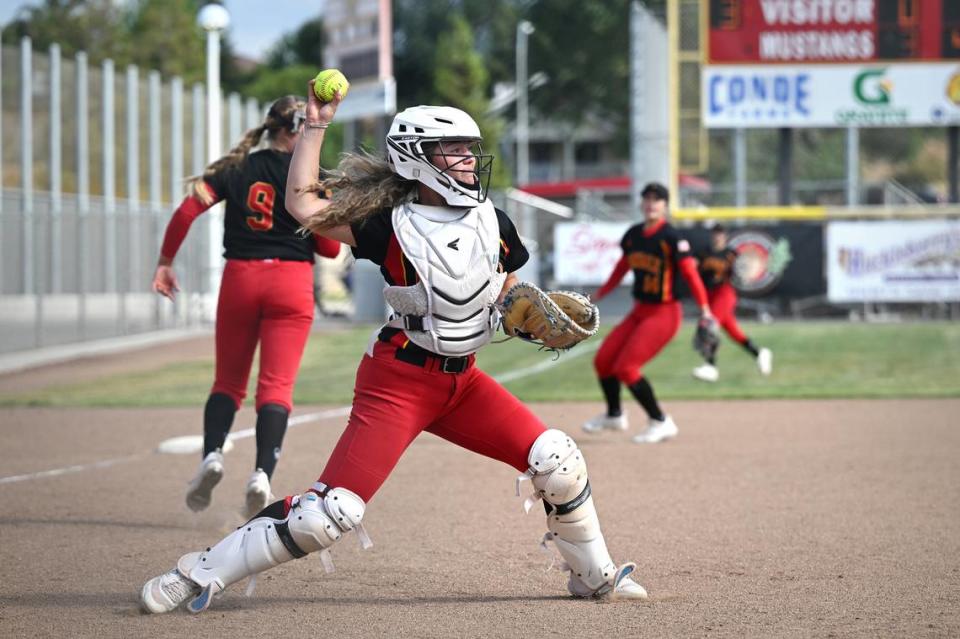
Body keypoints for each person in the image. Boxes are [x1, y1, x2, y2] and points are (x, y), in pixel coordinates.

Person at [139, 81, 647, 615]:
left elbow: (506, 287)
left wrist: (520, 312)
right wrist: (315, 125)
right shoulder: (390, 224)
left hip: (464, 382)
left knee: (559, 462)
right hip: (399, 382)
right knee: (327, 514)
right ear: (417, 159)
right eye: (454, 150)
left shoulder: (493, 220)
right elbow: (302, 204)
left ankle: (596, 578)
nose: (470, 160)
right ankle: (198, 572)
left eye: (470, 149)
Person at [151, 95, 341, 519]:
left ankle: (213, 456)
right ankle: (261, 475)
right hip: (290, 284)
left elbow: (187, 211)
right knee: (275, 388)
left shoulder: (236, 166)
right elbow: (329, 249)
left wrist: (165, 263)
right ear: (297, 130)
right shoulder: (309, 175)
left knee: (227, 383)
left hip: (240, 278)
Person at [582, 182, 713, 444]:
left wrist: (705, 308)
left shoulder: (671, 237)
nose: (651, 203)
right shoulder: (633, 235)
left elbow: (690, 274)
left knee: (627, 368)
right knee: (603, 361)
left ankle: (661, 421)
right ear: (641, 204)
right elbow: (621, 269)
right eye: (647, 198)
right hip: (639, 311)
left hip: (664, 313)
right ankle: (614, 414)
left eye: (657, 199)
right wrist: (598, 295)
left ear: (665, 206)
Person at [691, 225, 772, 382]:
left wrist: (745, 272)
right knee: (734, 333)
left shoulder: (731, 254)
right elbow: (692, 269)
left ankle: (710, 367)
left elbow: (743, 271)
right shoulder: (703, 253)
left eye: (720, 234)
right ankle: (760, 353)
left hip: (725, 294)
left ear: (725, 236)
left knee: (708, 326)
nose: (717, 237)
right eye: (715, 234)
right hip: (709, 296)